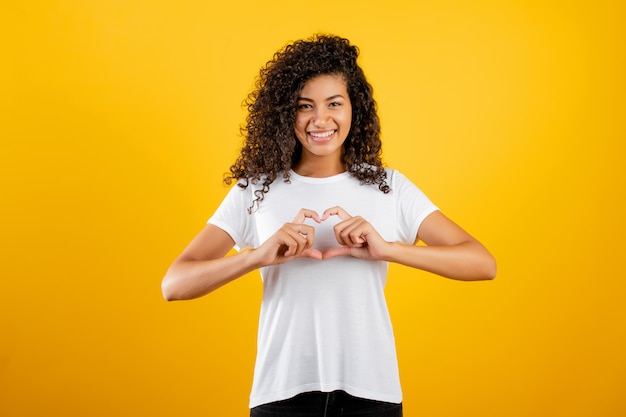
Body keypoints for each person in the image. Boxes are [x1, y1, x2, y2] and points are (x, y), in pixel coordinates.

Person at [162, 34, 496, 417]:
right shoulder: (256, 190)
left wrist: (388, 250)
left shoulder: (387, 186)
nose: (321, 120)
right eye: (305, 106)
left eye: (334, 103)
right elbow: (174, 284)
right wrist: (257, 256)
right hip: (282, 393)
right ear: (285, 113)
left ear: (355, 108)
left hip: (372, 393)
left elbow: (483, 263)